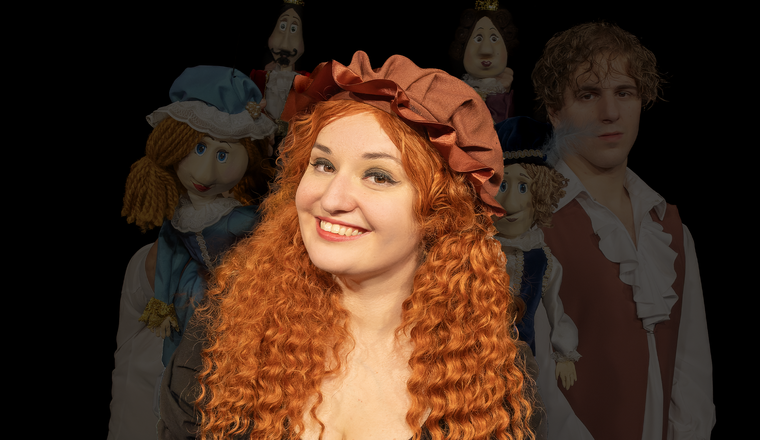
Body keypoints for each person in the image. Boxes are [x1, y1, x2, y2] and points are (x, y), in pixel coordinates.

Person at [158, 51, 536, 440]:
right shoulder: (225, 338)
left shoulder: (493, 380)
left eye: (378, 176)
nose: (332, 199)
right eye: (323, 165)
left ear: (440, 212)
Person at [530, 21, 714, 440]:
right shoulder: (532, 227)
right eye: (588, 94)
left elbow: (691, 371)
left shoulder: (669, 226)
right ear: (555, 111)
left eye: (624, 93)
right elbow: (534, 383)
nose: (610, 112)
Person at [108, 66, 275, 439]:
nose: (204, 169)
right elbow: (166, 256)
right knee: (183, 343)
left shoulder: (235, 220)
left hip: (225, 301)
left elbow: (257, 224)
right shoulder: (166, 239)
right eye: (199, 148)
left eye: (222, 153)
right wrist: (162, 303)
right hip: (190, 299)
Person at [449, 0, 518, 123]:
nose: (486, 50)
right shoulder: (452, 91)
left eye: (494, 38)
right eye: (478, 38)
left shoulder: (507, 96)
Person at [250, 0, 309, 143]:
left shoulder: (307, 81)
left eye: (294, 30)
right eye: (282, 27)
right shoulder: (257, 77)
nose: (285, 43)